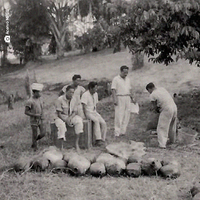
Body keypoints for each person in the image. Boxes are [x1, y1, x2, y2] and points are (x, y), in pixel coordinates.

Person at [146, 82, 177, 149]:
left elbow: (154, 107)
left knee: (162, 127)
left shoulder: (152, 95)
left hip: (167, 109)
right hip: (174, 106)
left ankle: (162, 144)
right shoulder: (162, 89)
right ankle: (172, 141)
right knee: (172, 125)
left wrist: (155, 110)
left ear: (149, 89)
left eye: (148, 91)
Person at [55, 85, 84, 152]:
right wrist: (66, 120)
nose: (72, 94)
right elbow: (59, 114)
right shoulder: (60, 99)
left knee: (79, 121)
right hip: (60, 117)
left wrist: (70, 118)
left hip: (70, 116)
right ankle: (61, 147)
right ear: (66, 92)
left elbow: (75, 111)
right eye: (70, 92)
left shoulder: (74, 99)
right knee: (61, 126)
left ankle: (76, 144)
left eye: (73, 92)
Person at [111, 65, 135, 137]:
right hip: (119, 97)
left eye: (127, 72)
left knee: (127, 114)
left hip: (127, 97)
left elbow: (130, 89)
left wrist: (132, 98)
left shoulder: (128, 79)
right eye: (124, 72)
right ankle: (117, 132)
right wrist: (115, 99)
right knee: (119, 114)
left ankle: (123, 131)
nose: (126, 74)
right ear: (121, 71)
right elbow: (113, 89)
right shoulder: (116, 79)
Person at [81, 81, 107, 147]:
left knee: (103, 123)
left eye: (96, 88)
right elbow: (83, 106)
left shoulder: (95, 94)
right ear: (90, 88)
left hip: (94, 112)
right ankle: (98, 140)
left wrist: (96, 113)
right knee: (96, 121)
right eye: (95, 88)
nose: (96, 90)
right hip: (88, 112)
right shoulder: (85, 95)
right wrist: (85, 116)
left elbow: (95, 104)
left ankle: (102, 139)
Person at [25, 83, 45, 151]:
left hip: (40, 119)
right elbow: (26, 112)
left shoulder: (40, 99)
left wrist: (42, 116)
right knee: (34, 133)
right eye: (39, 92)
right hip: (34, 120)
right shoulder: (30, 101)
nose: (40, 93)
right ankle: (35, 147)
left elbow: (42, 108)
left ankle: (34, 141)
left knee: (43, 133)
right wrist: (35, 115)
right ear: (35, 92)